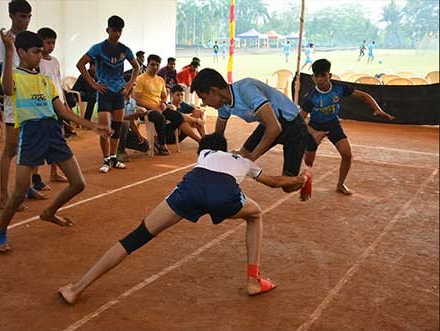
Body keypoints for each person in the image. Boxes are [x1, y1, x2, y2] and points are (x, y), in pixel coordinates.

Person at [58, 133, 310, 304]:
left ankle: (76, 288)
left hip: (189, 191)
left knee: (137, 236)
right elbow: (276, 182)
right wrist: (300, 180)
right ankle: (253, 280)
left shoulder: (205, 155)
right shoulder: (243, 161)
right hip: (224, 197)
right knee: (255, 215)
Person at [0, 30, 110, 253]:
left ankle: (49, 212)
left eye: (40, 51)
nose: (40, 54)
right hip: (31, 134)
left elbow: (62, 111)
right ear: (21, 53)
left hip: (53, 132)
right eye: (36, 51)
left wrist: (93, 125)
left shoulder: (46, 81)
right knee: (19, 192)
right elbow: (6, 89)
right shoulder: (14, 76)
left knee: (78, 183)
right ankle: (0, 231)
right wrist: (8, 52)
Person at [191, 69, 309, 194]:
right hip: (268, 124)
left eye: (203, 98)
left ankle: (305, 177)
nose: (204, 103)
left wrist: (252, 157)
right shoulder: (223, 105)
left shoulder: (246, 89)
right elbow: (217, 138)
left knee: (288, 186)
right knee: (241, 155)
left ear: (214, 91)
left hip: (292, 127)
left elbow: (275, 127)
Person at [300, 59, 395, 195]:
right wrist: (314, 133)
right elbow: (299, 120)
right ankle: (306, 148)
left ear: (329, 76)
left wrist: (377, 109)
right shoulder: (311, 97)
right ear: (313, 78)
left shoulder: (339, 88)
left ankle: (340, 184)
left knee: (347, 154)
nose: (320, 79)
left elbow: (363, 96)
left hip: (333, 124)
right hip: (315, 126)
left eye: (324, 75)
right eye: (317, 76)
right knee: (308, 161)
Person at [0, 0, 46, 211]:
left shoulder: (29, 40)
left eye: (29, 16)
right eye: (23, 16)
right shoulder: (1, 40)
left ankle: (27, 187)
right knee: (11, 149)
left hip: (30, 101)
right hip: (12, 102)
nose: (26, 20)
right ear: (12, 15)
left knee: (30, 147)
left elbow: (35, 70)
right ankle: (4, 196)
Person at [76, 15, 140, 173]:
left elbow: (136, 68)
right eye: (114, 31)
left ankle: (113, 157)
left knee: (117, 128)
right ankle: (105, 159)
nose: (117, 34)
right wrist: (93, 84)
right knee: (105, 127)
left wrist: (129, 84)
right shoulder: (98, 48)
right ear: (107, 30)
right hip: (104, 92)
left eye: (119, 31)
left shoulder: (125, 50)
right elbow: (80, 64)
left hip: (119, 92)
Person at [133, 54, 201, 154]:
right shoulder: (141, 79)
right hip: (145, 110)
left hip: (160, 108)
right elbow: (137, 99)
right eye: (152, 64)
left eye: (157, 65)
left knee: (177, 116)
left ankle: (160, 139)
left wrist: (164, 102)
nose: (155, 67)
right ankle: (162, 144)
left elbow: (164, 95)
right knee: (160, 117)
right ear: (147, 64)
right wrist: (153, 107)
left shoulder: (160, 80)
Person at [35, 27, 69, 185]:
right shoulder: (37, 62)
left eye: (53, 43)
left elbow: (59, 83)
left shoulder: (55, 61)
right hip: (44, 107)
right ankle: (35, 177)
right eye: (48, 42)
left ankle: (54, 172)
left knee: (58, 139)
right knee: (40, 141)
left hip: (58, 104)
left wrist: (65, 104)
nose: (51, 46)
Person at [116, 90, 150, 162]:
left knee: (145, 145)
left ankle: (119, 145)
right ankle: (120, 151)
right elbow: (117, 118)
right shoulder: (116, 100)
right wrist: (134, 115)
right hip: (113, 129)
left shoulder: (132, 102)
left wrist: (138, 135)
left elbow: (131, 122)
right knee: (125, 123)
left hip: (125, 132)